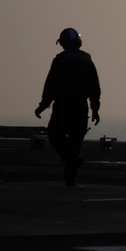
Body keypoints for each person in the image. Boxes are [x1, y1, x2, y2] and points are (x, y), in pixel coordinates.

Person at [34, 28, 102, 186]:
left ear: (63, 42)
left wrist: (43, 106)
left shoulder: (60, 59)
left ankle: (71, 162)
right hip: (81, 105)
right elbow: (95, 87)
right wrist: (95, 109)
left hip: (63, 105)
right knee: (75, 141)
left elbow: (50, 85)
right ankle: (70, 177)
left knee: (54, 135)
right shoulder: (87, 58)